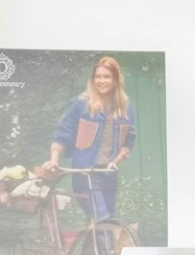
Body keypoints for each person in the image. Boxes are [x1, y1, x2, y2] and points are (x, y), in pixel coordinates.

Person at [45, 56, 136, 221]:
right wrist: (54, 159)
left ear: (116, 80)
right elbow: (63, 132)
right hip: (85, 174)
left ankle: (91, 240)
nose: (101, 81)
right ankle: (102, 238)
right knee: (102, 220)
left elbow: (129, 139)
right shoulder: (82, 103)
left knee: (106, 222)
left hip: (109, 175)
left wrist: (116, 161)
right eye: (98, 76)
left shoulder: (125, 107)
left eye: (107, 77)